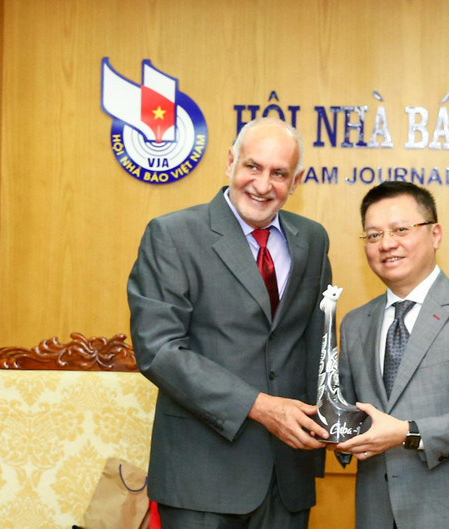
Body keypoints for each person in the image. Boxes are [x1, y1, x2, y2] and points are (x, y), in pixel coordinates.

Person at [128, 117, 332, 529]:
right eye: (253, 167)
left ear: (296, 182)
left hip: (287, 476)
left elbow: (318, 345)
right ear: (229, 162)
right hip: (201, 476)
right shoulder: (172, 235)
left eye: (279, 174)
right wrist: (261, 407)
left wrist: (336, 426)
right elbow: (159, 351)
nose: (262, 185)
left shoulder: (312, 239)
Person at [335, 181, 449, 529]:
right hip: (376, 514)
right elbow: (351, 414)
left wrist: (408, 433)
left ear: (435, 234)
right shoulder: (355, 323)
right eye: (373, 236)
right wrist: (331, 431)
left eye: (400, 230)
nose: (387, 244)